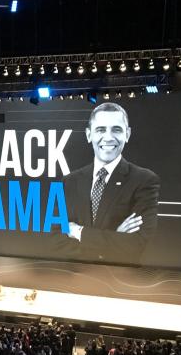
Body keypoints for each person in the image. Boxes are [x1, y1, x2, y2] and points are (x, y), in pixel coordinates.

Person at [61, 102, 160, 265]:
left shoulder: (145, 181)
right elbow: (54, 239)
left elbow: (135, 243)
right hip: (75, 277)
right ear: (88, 135)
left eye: (116, 129)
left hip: (120, 280)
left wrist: (77, 231)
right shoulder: (69, 182)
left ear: (127, 134)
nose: (108, 137)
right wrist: (115, 235)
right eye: (100, 130)